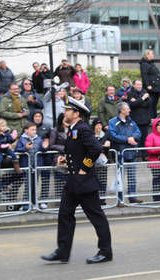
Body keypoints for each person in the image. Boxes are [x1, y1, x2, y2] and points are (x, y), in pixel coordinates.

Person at [41, 97, 113, 264]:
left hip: (84, 182)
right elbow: (78, 152)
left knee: (96, 217)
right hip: (73, 181)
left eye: (67, 110)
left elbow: (95, 149)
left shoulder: (82, 129)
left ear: (76, 113)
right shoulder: (73, 130)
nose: (64, 112)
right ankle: (62, 251)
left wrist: (84, 169)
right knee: (64, 214)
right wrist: (66, 160)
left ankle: (105, 251)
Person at [108, 102, 142, 204]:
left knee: (132, 176)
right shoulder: (113, 122)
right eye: (127, 109)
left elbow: (138, 132)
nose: (129, 110)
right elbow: (113, 135)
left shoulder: (131, 121)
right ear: (122, 111)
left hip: (131, 152)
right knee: (120, 177)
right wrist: (127, 139)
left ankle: (132, 197)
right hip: (120, 153)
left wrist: (133, 138)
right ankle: (120, 199)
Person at [15, 122, 49, 209]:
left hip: (37, 165)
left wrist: (45, 147)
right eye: (32, 129)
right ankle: (26, 204)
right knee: (28, 185)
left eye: (35, 129)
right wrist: (25, 148)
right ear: (26, 130)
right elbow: (17, 150)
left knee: (35, 184)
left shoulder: (38, 139)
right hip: (27, 166)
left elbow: (42, 149)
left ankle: (33, 203)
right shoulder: (22, 139)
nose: (35, 131)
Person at [92, 118, 111, 203]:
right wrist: (102, 147)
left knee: (103, 180)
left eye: (100, 125)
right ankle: (95, 199)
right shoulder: (91, 136)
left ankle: (102, 199)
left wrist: (102, 148)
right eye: (97, 125)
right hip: (93, 162)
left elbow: (107, 147)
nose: (99, 127)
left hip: (103, 161)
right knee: (94, 181)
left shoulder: (105, 135)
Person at [127, 79, 152, 145]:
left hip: (145, 120)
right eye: (137, 85)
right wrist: (143, 99)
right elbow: (132, 105)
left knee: (144, 137)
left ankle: (144, 153)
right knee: (136, 138)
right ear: (133, 85)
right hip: (135, 120)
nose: (139, 86)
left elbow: (149, 103)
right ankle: (137, 153)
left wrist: (137, 102)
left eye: (140, 84)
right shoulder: (130, 93)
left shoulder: (145, 92)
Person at [139, 49, 160, 119]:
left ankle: (154, 118)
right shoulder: (144, 64)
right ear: (147, 55)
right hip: (151, 88)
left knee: (155, 104)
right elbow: (144, 75)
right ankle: (151, 118)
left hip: (156, 87)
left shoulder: (151, 63)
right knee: (151, 104)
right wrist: (147, 85)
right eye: (151, 54)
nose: (153, 55)